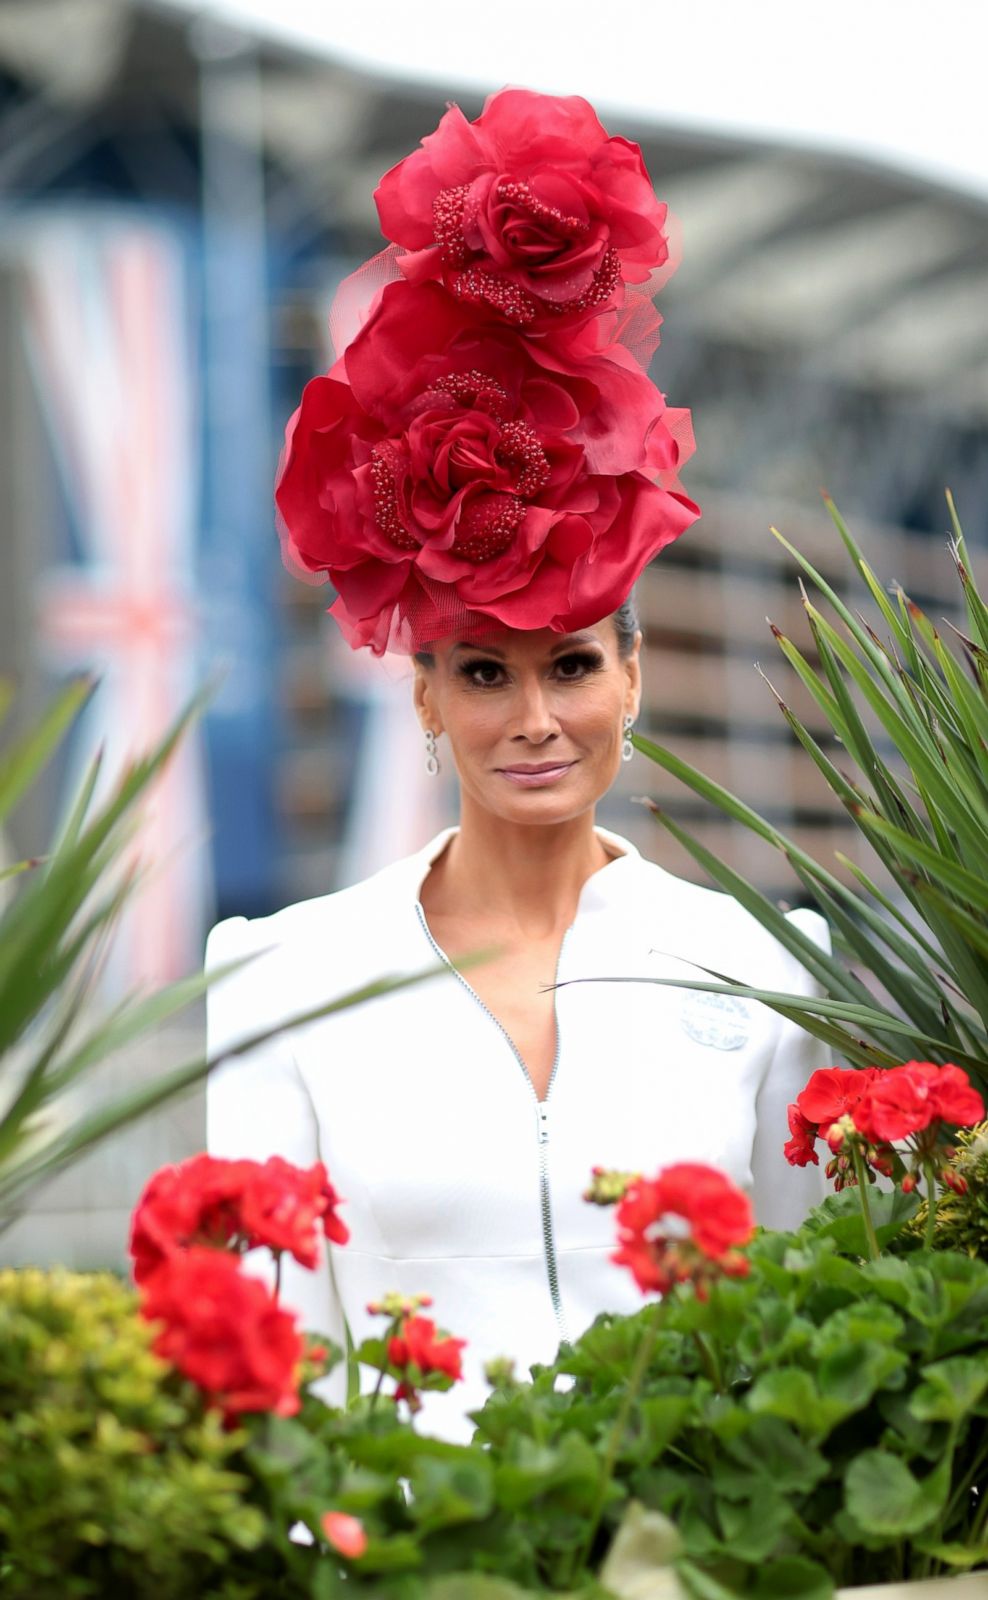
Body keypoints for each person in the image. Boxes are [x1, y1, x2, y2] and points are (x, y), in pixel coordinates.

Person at [206, 87, 828, 1442]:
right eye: (484, 673)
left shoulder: (764, 967)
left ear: (636, 675)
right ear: (424, 695)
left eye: (572, 667)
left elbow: (805, 1318)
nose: (534, 718)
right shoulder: (277, 979)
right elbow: (265, 1375)